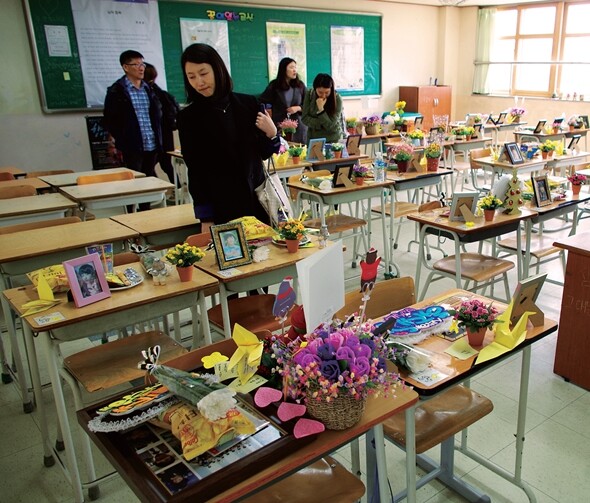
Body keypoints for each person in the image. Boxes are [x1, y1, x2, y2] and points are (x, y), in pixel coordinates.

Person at [177, 43, 280, 225]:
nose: (198, 82)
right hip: (222, 207)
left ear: (218, 70)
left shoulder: (248, 104)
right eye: (191, 77)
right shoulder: (189, 118)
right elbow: (196, 171)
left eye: (203, 73)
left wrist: (272, 133)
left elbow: (264, 153)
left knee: (267, 251)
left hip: (256, 200)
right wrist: (205, 217)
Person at [103, 50, 162, 210]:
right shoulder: (117, 91)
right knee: (133, 181)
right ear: (125, 67)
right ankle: (131, 212)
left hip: (151, 142)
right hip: (131, 144)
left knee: (148, 180)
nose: (141, 68)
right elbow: (110, 119)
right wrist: (122, 138)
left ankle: (146, 211)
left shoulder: (148, 89)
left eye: (142, 64)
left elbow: (157, 114)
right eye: (136, 64)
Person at [143, 63, 181, 188]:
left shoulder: (149, 95)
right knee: (165, 165)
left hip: (156, 137)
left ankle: (157, 191)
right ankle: (177, 189)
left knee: (147, 167)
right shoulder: (162, 93)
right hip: (165, 137)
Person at [259, 57, 307, 144]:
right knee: (282, 150)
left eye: (295, 67)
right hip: (279, 125)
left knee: (299, 153)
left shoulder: (300, 86)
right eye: (291, 67)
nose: (294, 70)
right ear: (283, 69)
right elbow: (263, 100)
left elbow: (309, 104)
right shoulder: (274, 85)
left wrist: (298, 108)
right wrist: (268, 109)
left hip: (299, 127)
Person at [301, 73, 343, 143]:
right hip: (313, 139)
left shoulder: (337, 99)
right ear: (315, 89)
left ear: (331, 89)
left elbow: (331, 126)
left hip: (333, 139)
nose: (323, 96)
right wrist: (323, 124)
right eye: (320, 92)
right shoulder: (310, 94)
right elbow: (304, 118)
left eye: (327, 92)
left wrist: (321, 109)